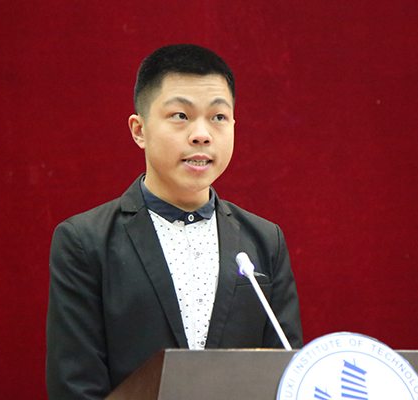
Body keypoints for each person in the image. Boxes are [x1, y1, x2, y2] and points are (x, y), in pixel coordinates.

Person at [46, 44, 302, 400]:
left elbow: (288, 374)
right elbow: (75, 386)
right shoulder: (84, 241)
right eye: (181, 115)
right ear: (139, 130)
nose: (202, 135)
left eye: (218, 117)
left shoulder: (264, 240)